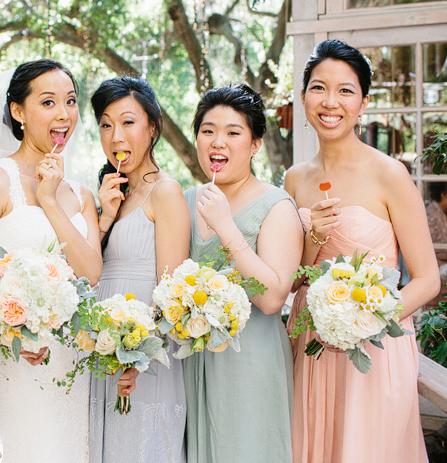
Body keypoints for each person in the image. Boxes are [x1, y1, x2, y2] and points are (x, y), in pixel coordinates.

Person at [284, 39, 439, 463]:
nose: (330, 102)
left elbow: (427, 279)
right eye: (318, 88)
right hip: (313, 345)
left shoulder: (389, 173)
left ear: (364, 102)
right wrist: (313, 236)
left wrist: (366, 321)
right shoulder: (295, 180)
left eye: (345, 90)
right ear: (303, 98)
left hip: (373, 347)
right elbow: (294, 279)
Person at [0, 59, 102, 463]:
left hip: (75, 358)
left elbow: (90, 273)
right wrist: (14, 334)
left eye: (71, 101)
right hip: (21, 357)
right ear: (18, 111)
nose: (64, 114)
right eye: (48, 102)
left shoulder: (80, 195)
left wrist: (48, 198)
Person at [182, 83, 301, 463]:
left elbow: (272, 298)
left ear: (254, 145)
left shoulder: (277, 206)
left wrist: (226, 228)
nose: (218, 142)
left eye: (233, 133)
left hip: (250, 363)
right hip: (190, 360)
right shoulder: (185, 200)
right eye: (208, 131)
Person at [88, 76, 189, 463]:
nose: (116, 136)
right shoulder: (111, 193)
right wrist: (104, 216)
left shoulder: (165, 191)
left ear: (152, 127)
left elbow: (171, 291)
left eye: (128, 122)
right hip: (102, 348)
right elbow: (89, 270)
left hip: (144, 355)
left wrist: (138, 356)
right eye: (106, 123)